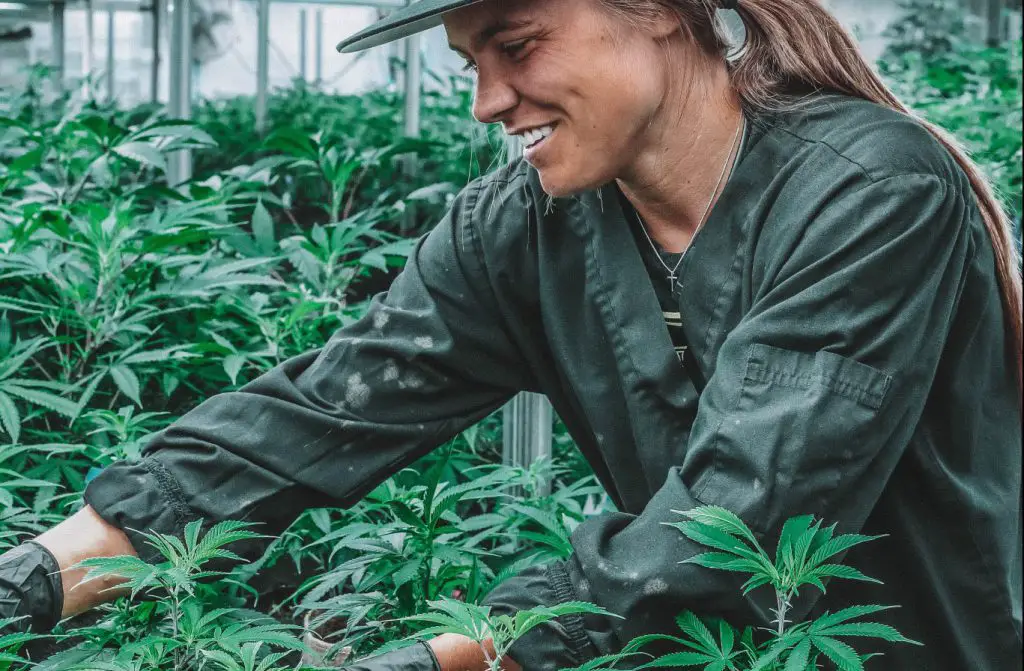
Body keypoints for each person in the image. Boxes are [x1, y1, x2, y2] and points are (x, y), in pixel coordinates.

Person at [2, 0, 1021, 668]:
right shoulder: (525, 225)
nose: (488, 99)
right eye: (468, 61)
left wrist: (462, 649)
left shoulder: (868, 189)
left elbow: (738, 516)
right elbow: (321, 410)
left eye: (517, 42)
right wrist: (39, 575)